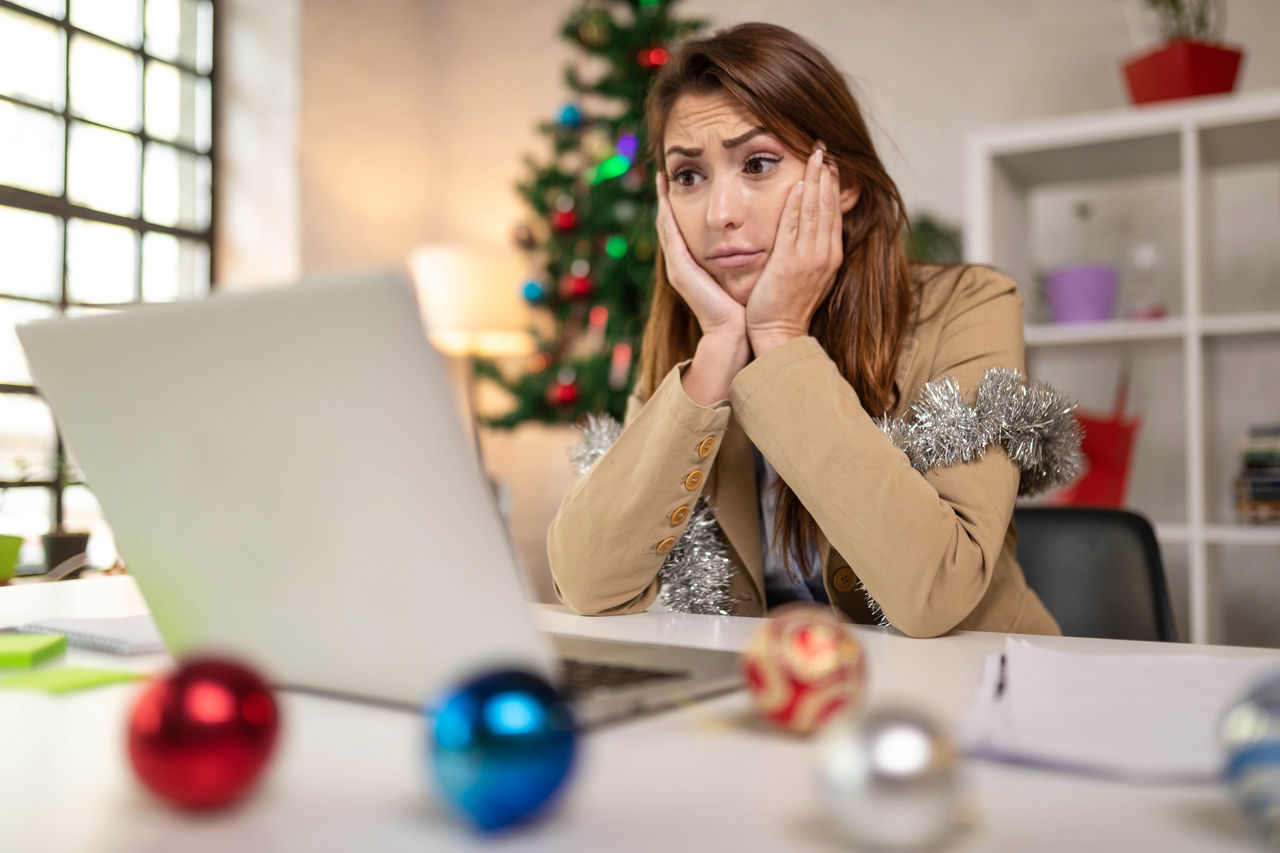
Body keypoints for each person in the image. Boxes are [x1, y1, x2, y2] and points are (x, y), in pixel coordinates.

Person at [547, 22, 1063, 638]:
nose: (719, 214)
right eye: (688, 176)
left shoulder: (970, 304)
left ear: (842, 182)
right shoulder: (691, 341)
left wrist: (780, 335)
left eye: (757, 164)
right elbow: (588, 584)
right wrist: (719, 349)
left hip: (980, 680)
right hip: (774, 687)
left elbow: (937, 593)